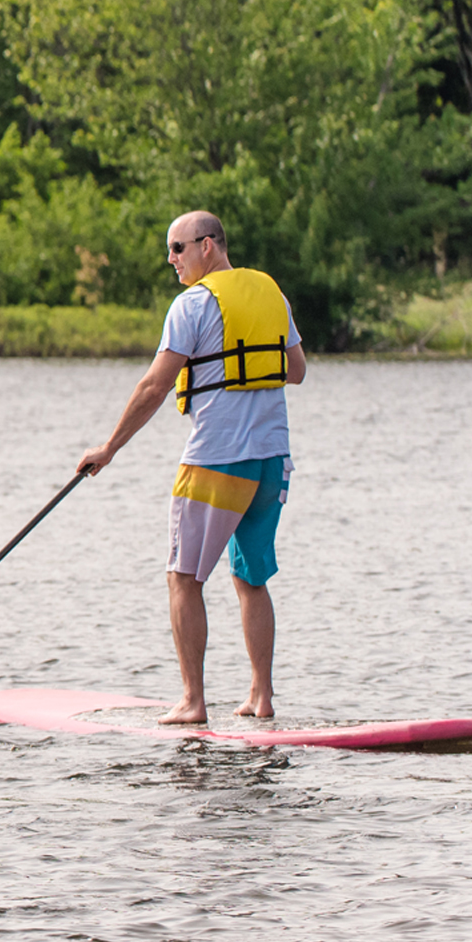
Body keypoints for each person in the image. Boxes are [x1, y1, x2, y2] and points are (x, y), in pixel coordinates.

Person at [76, 210, 307, 725]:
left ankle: (192, 702)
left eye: (178, 249)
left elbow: (155, 386)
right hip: (272, 460)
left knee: (184, 578)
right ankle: (261, 697)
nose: (171, 260)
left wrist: (109, 448)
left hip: (216, 461)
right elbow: (296, 370)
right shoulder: (272, 293)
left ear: (208, 245)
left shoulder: (192, 305)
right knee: (251, 579)